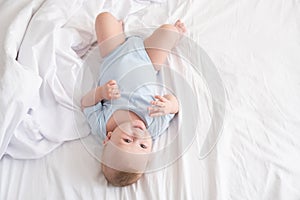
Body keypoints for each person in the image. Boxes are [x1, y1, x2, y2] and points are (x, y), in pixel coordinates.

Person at [81, 12, 186, 187]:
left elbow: (85, 103)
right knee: (168, 31)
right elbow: (175, 104)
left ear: (108, 138)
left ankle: (117, 28)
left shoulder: (102, 125)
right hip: (148, 60)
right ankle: (175, 35)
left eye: (127, 140)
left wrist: (101, 93)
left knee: (103, 19)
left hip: (113, 54)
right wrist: (168, 106)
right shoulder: (154, 126)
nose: (138, 136)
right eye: (143, 146)